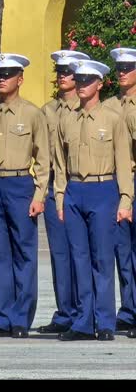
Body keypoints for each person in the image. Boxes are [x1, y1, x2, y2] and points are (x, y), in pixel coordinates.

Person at [53, 58, 133, 341]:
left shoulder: (113, 119)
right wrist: (60, 197)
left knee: (102, 258)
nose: (82, 85)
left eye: (88, 81)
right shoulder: (66, 119)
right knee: (79, 258)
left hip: (103, 190)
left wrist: (125, 200)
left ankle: (105, 322)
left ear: (99, 84)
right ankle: (83, 322)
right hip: (75, 191)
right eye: (80, 80)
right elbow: (59, 164)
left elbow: (123, 161)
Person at [0, 53, 49, 338]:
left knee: (23, 253)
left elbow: (43, 158)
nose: (2, 79)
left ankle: (21, 318)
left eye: (8, 75)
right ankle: (1, 316)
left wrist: (39, 194)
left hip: (20, 185)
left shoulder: (32, 114)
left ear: (20, 79)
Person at [37, 49, 90, 334]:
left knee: (83, 253)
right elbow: (43, 155)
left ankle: (86, 311)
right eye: (59, 72)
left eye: (68, 72)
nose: (62, 77)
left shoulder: (89, 109)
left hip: (84, 185)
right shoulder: (47, 111)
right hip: (55, 188)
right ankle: (65, 312)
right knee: (59, 253)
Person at [104, 46, 136, 333]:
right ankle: (128, 310)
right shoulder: (109, 107)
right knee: (121, 251)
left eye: (128, 68)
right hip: (116, 183)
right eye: (120, 69)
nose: (123, 73)